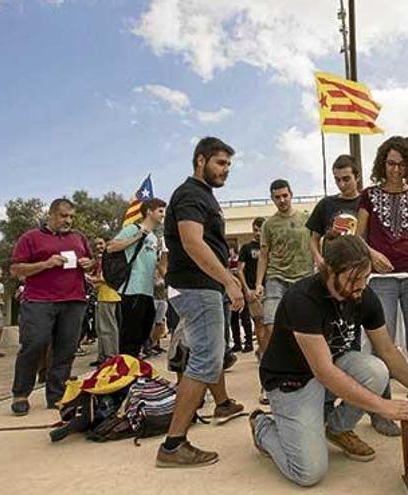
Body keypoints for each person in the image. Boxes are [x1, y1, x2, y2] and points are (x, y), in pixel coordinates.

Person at [250, 233, 408, 487]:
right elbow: (323, 372)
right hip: (293, 382)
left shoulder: (363, 295)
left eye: (365, 277)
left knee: (376, 370)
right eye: (353, 279)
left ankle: (335, 427)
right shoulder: (303, 300)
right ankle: (262, 426)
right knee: (308, 473)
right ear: (329, 271)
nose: (361, 286)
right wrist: (383, 406)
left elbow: (387, 350)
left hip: (330, 369)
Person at [156, 136, 245, 468]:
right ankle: (173, 445)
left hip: (201, 288)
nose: (225, 170)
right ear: (200, 160)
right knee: (206, 359)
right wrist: (227, 280)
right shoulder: (191, 194)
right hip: (197, 288)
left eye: (228, 165)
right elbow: (193, 243)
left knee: (208, 354)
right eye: (220, 163)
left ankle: (220, 405)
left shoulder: (202, 196)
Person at [356, 135, 408, 437]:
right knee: (381, 347)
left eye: (401, 165)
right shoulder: (368, 195)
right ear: (381, 163)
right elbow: (358, 237)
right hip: (382, 280)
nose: (395, 170)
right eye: (390, 163)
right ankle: (382, 413)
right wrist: (372, 254)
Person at [9, 198, 95, 416]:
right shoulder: (31, 238)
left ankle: (56, 395)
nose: (68, 220)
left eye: (71, 216)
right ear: (51, 215)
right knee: (34, 344)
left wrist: (89, 263)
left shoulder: (78, 238)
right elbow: (16, 269)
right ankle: (20, 394)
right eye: (63, 216)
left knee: (65, 349)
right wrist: (45, 264)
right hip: (39, 300)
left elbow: (92, 262)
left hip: (74, 300)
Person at [255, 179, 314, 352]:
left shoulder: (307, 220)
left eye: (285, 196)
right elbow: (264, 255)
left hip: (304, 278)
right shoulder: (268, 225)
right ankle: (272, 361)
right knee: (270, 323)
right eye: (277, 197)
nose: (282, 200)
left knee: (307, 325)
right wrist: (259, 283)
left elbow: (316, 244)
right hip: (276, 278)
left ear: (291, 195)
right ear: (272, 199)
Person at [107, 198, 166, 357]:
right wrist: (138, 236)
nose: (163, 214)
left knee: (144, 332)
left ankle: (135, 368)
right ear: (149, 211)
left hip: (148, 291)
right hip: (132, 289)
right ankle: (125, 372)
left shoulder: (154, 238)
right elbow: (111, 247)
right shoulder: (133, 228)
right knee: (130, 337)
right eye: (160, 211)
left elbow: (155, 264)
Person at [307, 154, 363, 268]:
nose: (341, 184)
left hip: (360, 267)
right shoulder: (326, 204)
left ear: (357, 177)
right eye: (337, 180)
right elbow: (313, 239)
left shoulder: (366, 203)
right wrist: (318, 259)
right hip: (332, 268)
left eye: (346, 179)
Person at [89, 237, 121, 366]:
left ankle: (111, 356)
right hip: (101, 296)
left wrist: (92, 280)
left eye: (101, 244)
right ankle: (102, 356)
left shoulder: (111, 259)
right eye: (96, 244)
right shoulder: (99, 261)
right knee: (100, 328)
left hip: (110, 296)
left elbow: (109, 278)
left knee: (108, 328)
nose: (98, 247)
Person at [236, 218, 264, 355]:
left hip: (270, 288)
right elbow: (239, 269)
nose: (258, 233)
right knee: (258, 321)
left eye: (261, 230)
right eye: (255, 230)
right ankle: (263, 350)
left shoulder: (268, 246)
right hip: (252, 289)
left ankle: (267, 349)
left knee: (271, 322)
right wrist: (246, 289)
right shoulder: (247, 248)